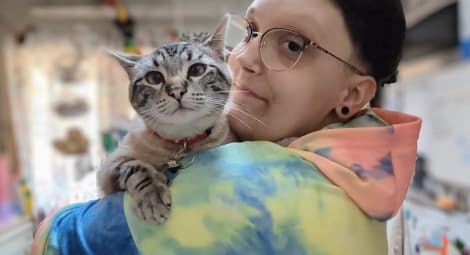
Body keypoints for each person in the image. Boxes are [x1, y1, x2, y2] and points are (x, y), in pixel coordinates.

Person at [31, 0, 421, 254]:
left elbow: (53, 242)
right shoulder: (366, 168)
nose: (243, 58)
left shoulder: (249, 188)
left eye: (292, 45)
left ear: (353, 93)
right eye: (250, 32)